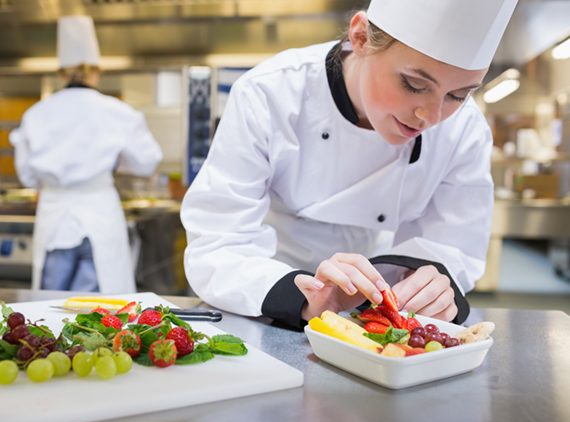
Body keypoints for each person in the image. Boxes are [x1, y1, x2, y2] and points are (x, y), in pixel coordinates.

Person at [181, 0, 519, 329]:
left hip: (383, 315)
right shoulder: (270, 93)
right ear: (359, 37)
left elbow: (455, 245)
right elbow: (217, 241)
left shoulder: (465, 129)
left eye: (458, 95)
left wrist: (433, 284)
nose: (431, 117)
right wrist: (301, 296)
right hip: (267, 305)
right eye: (414, 85)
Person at [10, 16, 163, 293]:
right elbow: (146, 162)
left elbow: (27, 175)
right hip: (100, 212)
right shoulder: (117, 112)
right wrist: (117, 162)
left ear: (61, 72)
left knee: (49, 306)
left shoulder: (36, 114)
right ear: (97, 71)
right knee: (101, 310)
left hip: (55, 216)